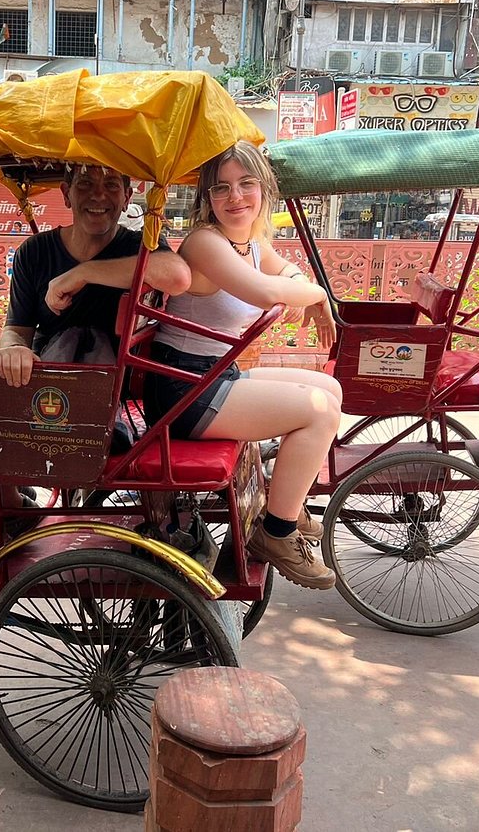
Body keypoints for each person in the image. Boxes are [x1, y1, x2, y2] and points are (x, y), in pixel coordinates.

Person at [0, 164, 191, 553]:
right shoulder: (35, 252)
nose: (98, 195)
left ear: (126, 194)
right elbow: (16, 328)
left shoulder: (137, 247)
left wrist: (83, 273)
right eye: (85, 184)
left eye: (110, 185)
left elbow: (175, 274)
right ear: (66, 194)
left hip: (91, 382)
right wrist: (12, 349)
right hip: (34, 363)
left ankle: (7, 503)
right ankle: (16, 507)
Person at [143, 140, 343, 591]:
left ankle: (283, 504)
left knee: (330, 391)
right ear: (207, 199)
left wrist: (301, 286)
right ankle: (276, 534)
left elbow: (286, 271)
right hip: (184, 389)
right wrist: (316, 296)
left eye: (246, 184)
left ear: (263, 189)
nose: (236, 198)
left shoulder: (248, 241)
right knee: (318, 411)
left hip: (214, 373)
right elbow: (266, 291)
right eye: (221, 189)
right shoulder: (205, 243)